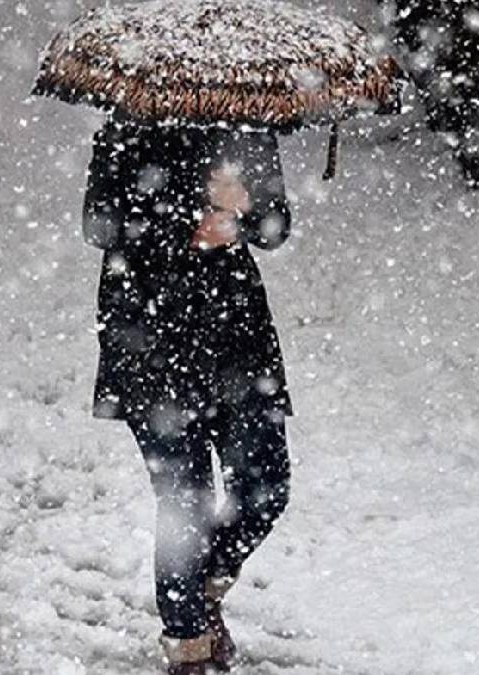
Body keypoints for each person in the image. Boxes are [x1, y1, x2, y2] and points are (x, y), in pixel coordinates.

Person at [83, 112, 293, 675]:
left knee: (267, 486)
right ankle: (188, 648)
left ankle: (200, 591)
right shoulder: (128, 126)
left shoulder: (247, 124)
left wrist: (244, 214)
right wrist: (190, 218)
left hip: (237, 340)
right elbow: (101, 225)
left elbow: (277, 225)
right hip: (151, 339)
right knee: (186, 502)